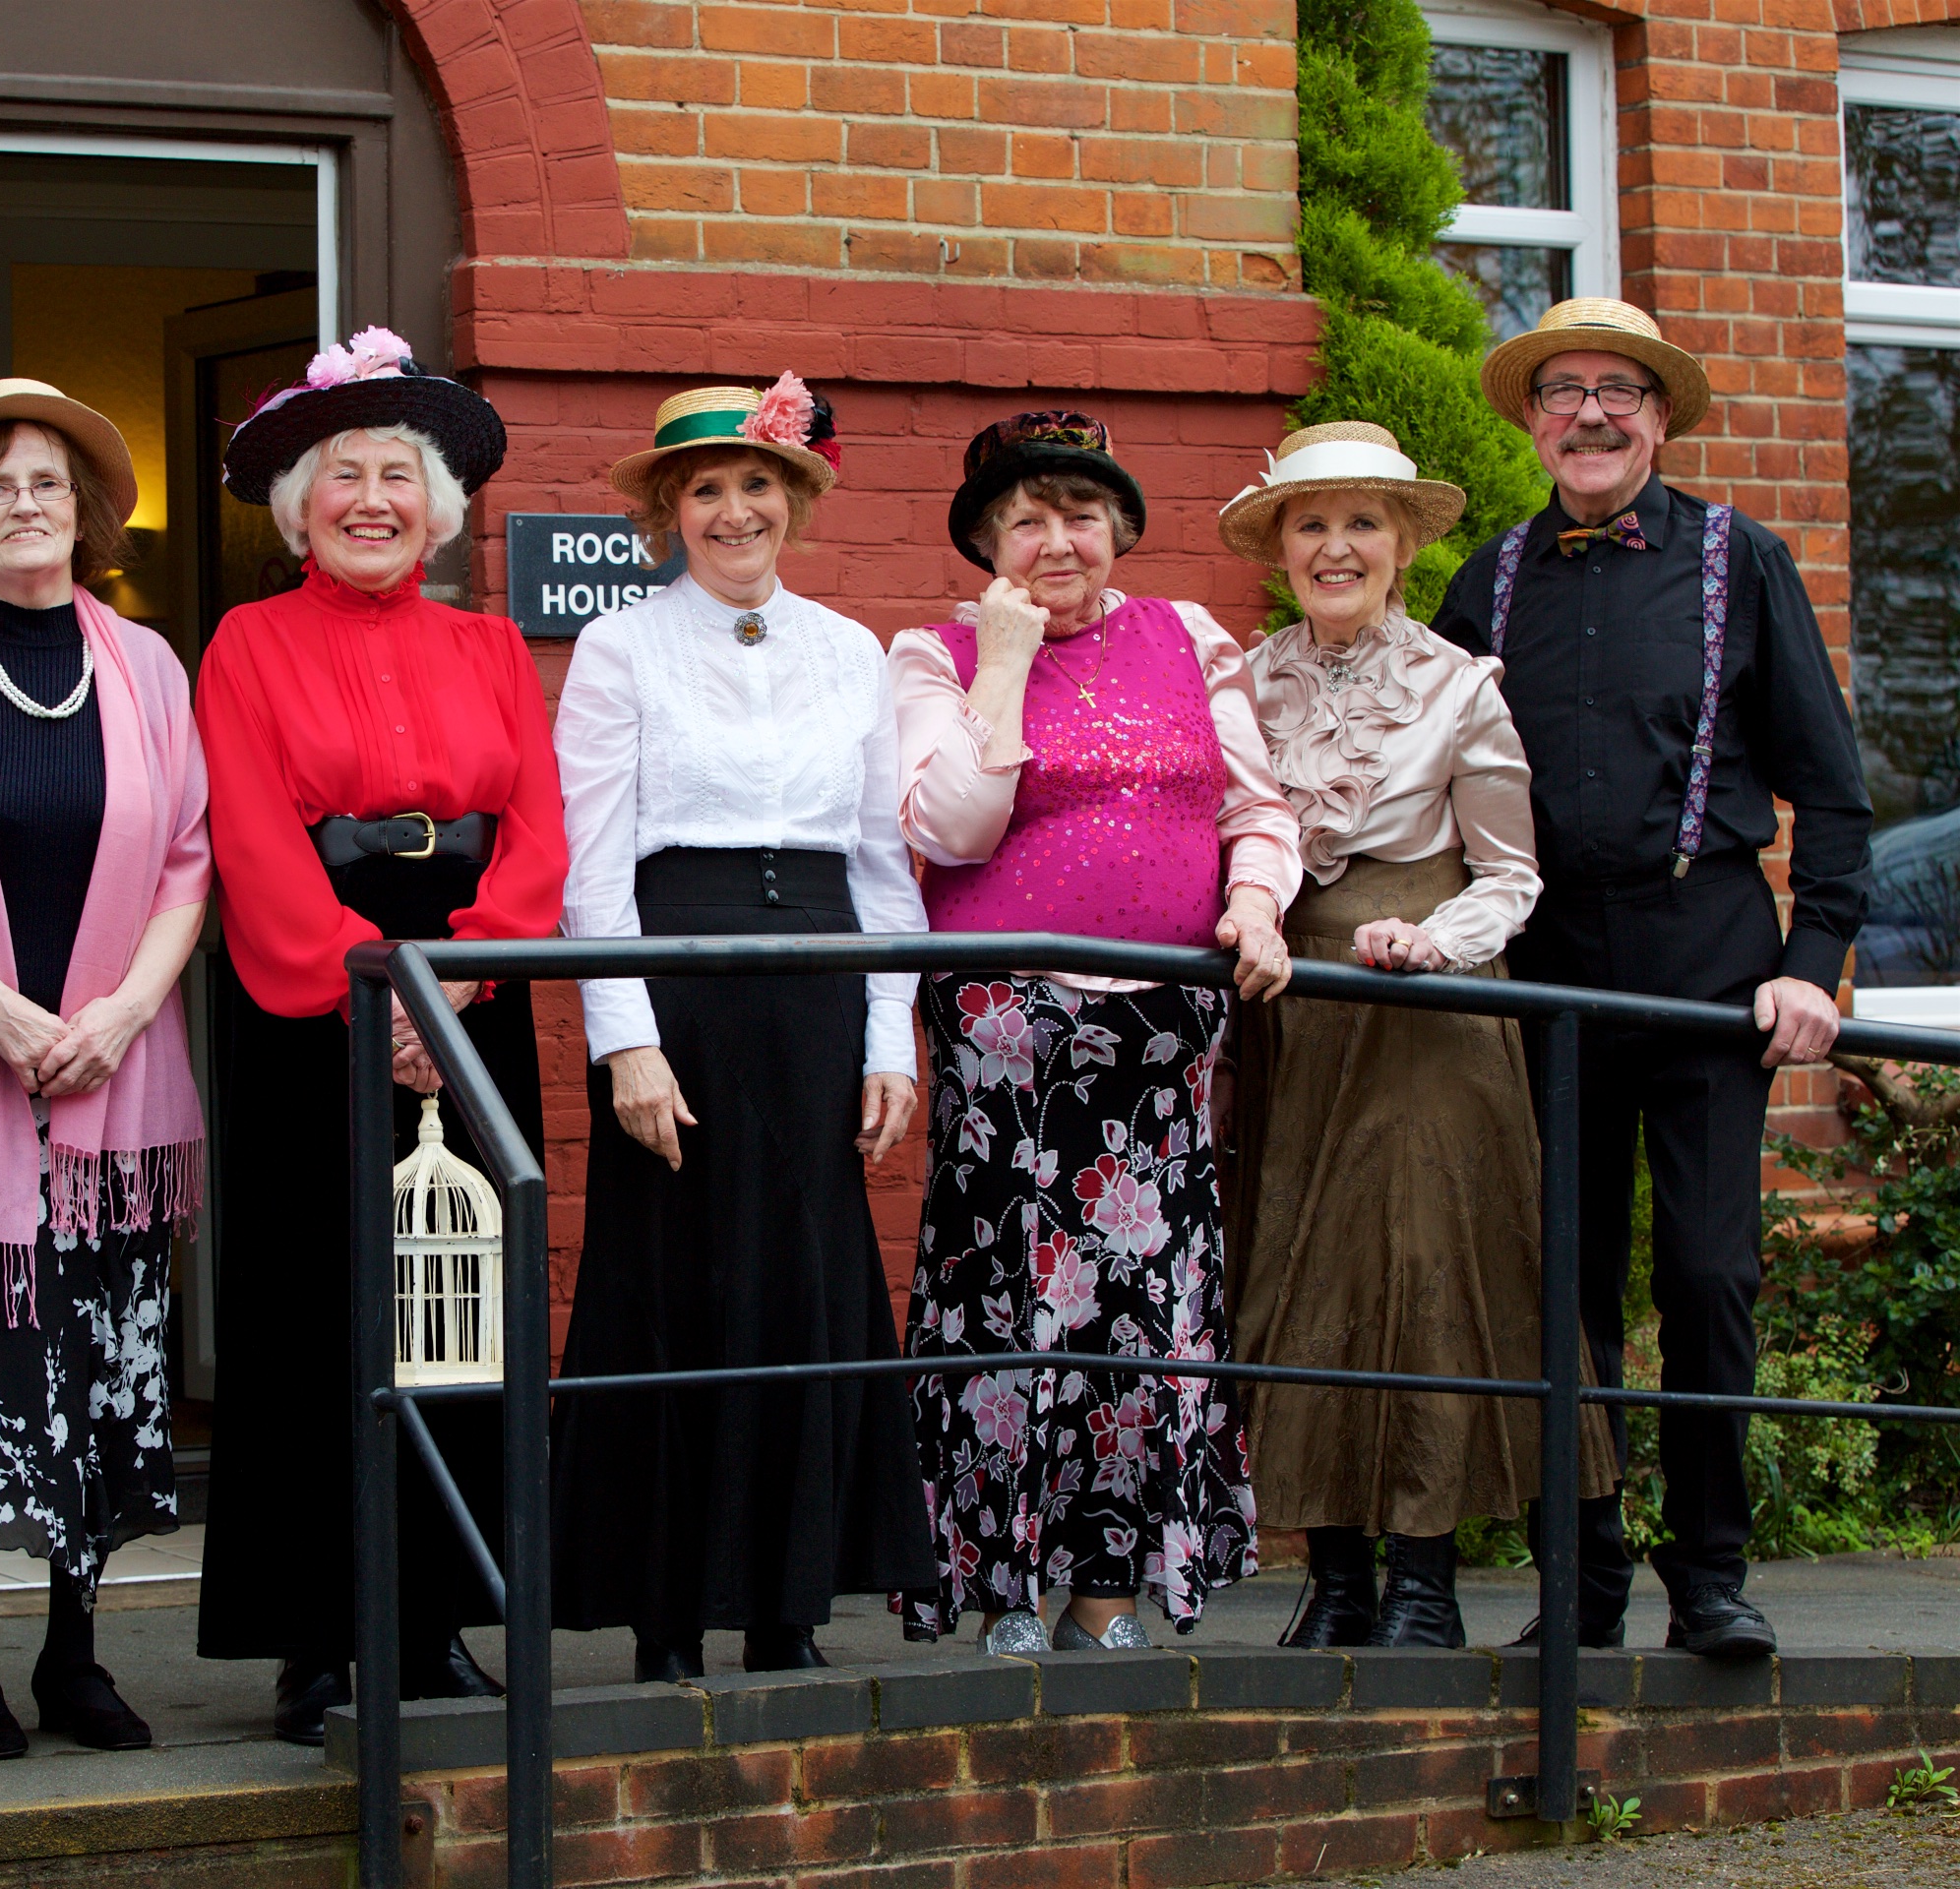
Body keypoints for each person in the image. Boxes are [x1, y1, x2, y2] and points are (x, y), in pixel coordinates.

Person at [1435, 300, 1872, 1659]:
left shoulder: (1744, 560)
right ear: (1532, 421)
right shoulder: (1488, 581)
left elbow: (1833, 792)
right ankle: (1584, 1584)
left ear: (1661, 417)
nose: (1591, 414)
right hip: (1544, 973)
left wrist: (1814, 966)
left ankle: (1712, 1578)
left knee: (1707, 1275)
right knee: (1560, 1292)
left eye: (1619, 389)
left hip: (1706, 969)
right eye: (1562, 390)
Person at [194, 329, 562, 1744]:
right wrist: (381, 987)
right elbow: (249, 836)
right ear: (300, 508)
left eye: (396, 475)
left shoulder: (490, 646)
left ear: (437, 505)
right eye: (341, 475)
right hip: (317, 990)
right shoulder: (247, 643)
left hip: (471, 975)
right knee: (317, 1308)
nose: (370, 499)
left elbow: (538, 829)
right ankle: (318, 1639)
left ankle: (439, 1620)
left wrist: (460, 975)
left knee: (454, 1307)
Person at [888, 409, 1298, 1655]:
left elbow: (1256, 809)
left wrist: (1254, 901)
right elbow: (951, 827)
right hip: (1010, 1037)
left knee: (1140, 1308)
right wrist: (1005, 663)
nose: (1057, 541)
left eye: (1081, 515)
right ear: (986, 542)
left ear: (1118, 529)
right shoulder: (935, 656)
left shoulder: (1193, 635)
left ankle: (1107, 1597)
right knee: (1011, 1300)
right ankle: (1006, 1591)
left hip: (1159, 1039)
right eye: (1026, 519)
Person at [551, 376, 936, 1679]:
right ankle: (666, 1617)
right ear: (670, 510)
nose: (733, 511)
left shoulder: (851, 650)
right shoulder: (620, 648)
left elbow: (882, 863)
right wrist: (626, 1037)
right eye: (705, 489)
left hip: (819, 981)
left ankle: (789, 1606)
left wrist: (887, 1036)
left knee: (804, 1283)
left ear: (793, 501)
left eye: (755, 484)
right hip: (682, 979)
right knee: (675, 1279)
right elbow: (594, 865)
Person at [1215, 422, 1616, 1648]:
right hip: (1294, 1013)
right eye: (1312, 523)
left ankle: (1426, 1588)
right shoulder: (1240, 683)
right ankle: (1338, 1581)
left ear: (1402, 546)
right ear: (1282, 547)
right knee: (1296, 1273)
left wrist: (1432, 940)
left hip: (1430, 1014)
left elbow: (1511, 875)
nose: (1336, 547)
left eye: (1363, 523)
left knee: (1423, 1278)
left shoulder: (1459, 686)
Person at [0, 380, 210, 1753]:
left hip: (114, 1075)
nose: (23, 504)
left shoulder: (147, 667)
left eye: (47, 483)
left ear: (86, 513)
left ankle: (77, 1655)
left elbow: (188, 859)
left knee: (99, 1358)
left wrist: (124, 1012)